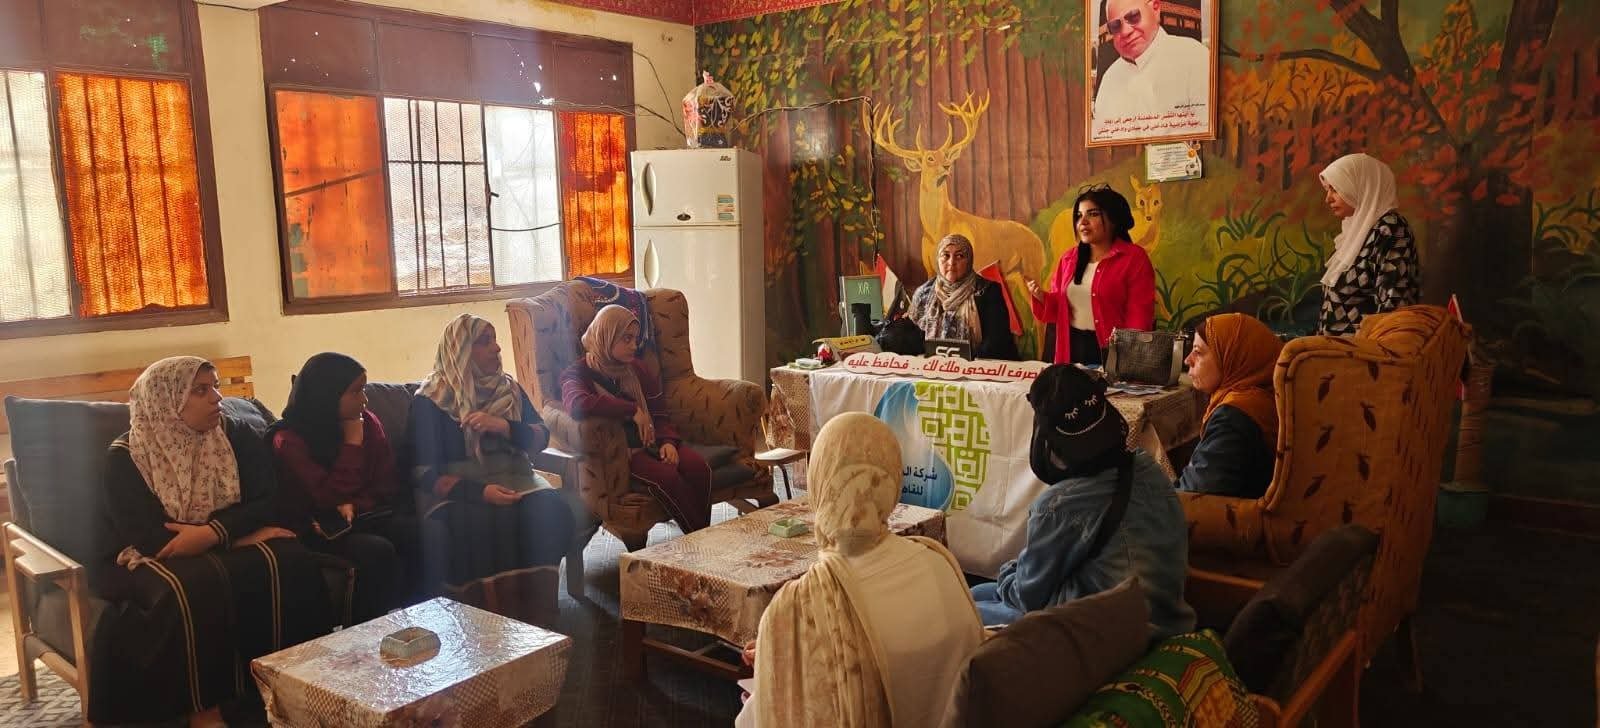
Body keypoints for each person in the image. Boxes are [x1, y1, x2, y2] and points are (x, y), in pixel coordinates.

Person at [95, 356, 331, 727]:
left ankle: (292, 686)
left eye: (216, 386)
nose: (217, 398)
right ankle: (204, 710)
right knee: (192, 586)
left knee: (291, 558)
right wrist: (235, 537)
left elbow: (267, 499)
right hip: (151, 554)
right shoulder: (127, 457)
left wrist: (214, 533)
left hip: (219, 539)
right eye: (200, 390)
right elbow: (153, 539)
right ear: (167, 401)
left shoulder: (235, 433)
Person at [736, 413, 985, 728]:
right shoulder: (938, 561)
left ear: (819, 482)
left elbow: (763, 718)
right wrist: (782, 646)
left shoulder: (797, 609)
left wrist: (779, 660)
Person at [970, 364, 1194, 639]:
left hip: (1114, 633)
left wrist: (1008, 574)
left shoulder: (1058, 505)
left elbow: (1028, 595)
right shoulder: (1147, 466)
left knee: (964, 608)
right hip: (1167, 615)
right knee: (977, 593)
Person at [409, 314, 576, 624]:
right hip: (459, 491)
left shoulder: (509, 389)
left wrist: (504, 426)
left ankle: (537, 617)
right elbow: (421, 472)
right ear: (461, 351)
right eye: (484, 342)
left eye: (495, 340)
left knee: (552, 511)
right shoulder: (431, 401)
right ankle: (488, 620)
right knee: (479, 525)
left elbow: (541, 436)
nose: (497, 348)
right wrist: (481, 492)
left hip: (518, 479)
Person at [269, 352, 420, 622]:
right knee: (376, 551)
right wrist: (352, 444)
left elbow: (386, 483)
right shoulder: (289, 439)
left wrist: (354, 504)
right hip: (317, 528)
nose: (365, 400)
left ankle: (417, 624)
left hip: (366, 515)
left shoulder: (368, 422)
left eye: (364, 389)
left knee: (420, 532)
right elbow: (324, 497)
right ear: (327, 394)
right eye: (356, 391)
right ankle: (364, 636)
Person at [562, 304, 713, 533]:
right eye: (626, 339)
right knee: (668, 477)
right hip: (625, 455)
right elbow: (576, 404)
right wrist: (631, 409)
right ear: (606, 337)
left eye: (635, 339)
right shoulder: (578, 373)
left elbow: (659, 412)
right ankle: (699, 537)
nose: (634, 346)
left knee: (698, 467)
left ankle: (703, 535)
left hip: (654, 441)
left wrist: (668, 442)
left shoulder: (637, 368)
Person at [1028, 184, 1156, 365]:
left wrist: (1128, 362)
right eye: (1079, 215)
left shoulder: (1134, 258)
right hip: (1071, 348)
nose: (1083, 222)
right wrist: (1041, 297)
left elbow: (1139, 316)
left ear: (1113, 219)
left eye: (1093, 214)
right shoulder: (1068, 259)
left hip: (1114, 352)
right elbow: (1059, 309)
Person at [1175, 314, 1283, 498]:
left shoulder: (1235, 416)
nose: (1187, 360)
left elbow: (1194, 495)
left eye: (1198, 352)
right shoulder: (1267, 399)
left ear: (1231, 357)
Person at [1317, 152, 1420, 336]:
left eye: (1335, 189)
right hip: (1334, 351)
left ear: (1361, 186)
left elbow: (1393, 308)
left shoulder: (1390, 230)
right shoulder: (1355, 233)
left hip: (1364, 351)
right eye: (1328, 189)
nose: (1328, 198)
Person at [1090, 0, 1212, 140]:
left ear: (1155, 9)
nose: (1125, 32)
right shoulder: (1110, 79)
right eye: (1115, 26)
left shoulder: (1194, 56)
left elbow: (1207, 135)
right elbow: (1103, 139)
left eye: (1133, 17)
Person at [908, 233, 1021, 360]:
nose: (951, 262)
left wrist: (965, 362)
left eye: (959, 256)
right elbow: (914, 340)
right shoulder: (924, 293)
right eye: (945, 255)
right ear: (937, 259)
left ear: (969, 261)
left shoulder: (988, 291)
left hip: (979, 365)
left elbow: (996, 341)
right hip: (931, 365)